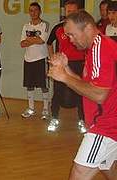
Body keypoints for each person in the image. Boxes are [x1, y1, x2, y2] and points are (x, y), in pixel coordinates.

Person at [48, 10, 117, 180]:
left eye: (71, 34)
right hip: (106, 123)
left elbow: (99, 95)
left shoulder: (101, 49)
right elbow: (87, 85)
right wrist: (66, 70)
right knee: (109, 169)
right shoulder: (95, 48)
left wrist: (63, 77)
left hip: (105, 127)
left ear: (87, 28)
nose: (70, 40)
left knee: (78, 174)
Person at [46, 0, 86, 133]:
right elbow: (49, 43)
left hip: (79, 64)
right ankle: (55, 118)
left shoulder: (83, 28)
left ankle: (82, 120)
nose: (71, 13)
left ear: (78, 11)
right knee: (58, 91)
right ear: (65, 12)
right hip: (63, 64)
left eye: (73, 11)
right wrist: (52, 58)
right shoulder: (58, 27)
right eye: (69, 11)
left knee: (80, 92)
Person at [20, 2, 49, 120]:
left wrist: (29, 39)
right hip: (28, 59)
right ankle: (31, 108)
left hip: (41, 59)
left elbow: (42, 41)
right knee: (29, 85)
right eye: (31, 11)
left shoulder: (45, 24)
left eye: (35, 10)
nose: (33, 13)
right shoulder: (25, 26)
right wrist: (34, 39)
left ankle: (46, 109)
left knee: (44, 85)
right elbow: (22, 44)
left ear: (40, 11)